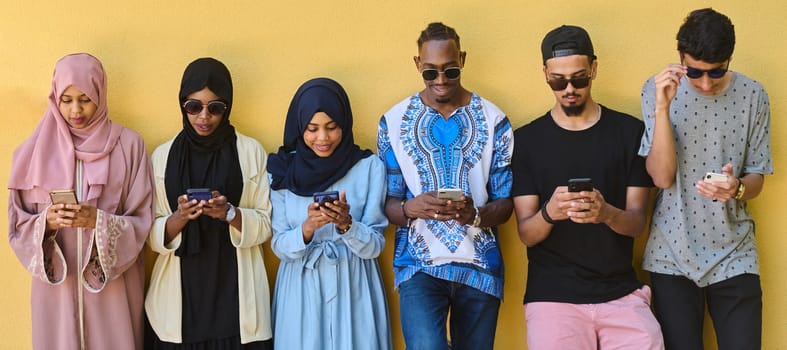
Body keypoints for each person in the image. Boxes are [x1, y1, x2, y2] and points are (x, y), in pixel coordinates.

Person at [510, 25, 663, 349]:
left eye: (578, 78)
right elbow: (527, 233)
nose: (568, 88)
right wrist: (550, 213)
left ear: (594, 69)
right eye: (558, 80)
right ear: (545, 74)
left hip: (620, 292)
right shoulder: (526, 141)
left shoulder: (629, 132)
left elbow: (637, 223)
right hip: (553, 296)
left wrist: (606, 213)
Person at [638, 8, 772, 350]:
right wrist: (662, 109)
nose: (705, 83)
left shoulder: (753, 95)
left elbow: (756, 175)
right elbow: (661, 177)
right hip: (672, 252)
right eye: (694, 72)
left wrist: (737, 188)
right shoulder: (656, 91)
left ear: (729, 59)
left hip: (735, 252)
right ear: (680, 57)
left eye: (717, 72)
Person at [377, 22, 513, 350]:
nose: (440, 80)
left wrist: (475, 215)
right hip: (419, 267)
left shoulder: (495, 120)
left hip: (479, 267)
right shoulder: (393, 122)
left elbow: (506, 203)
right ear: (417, 64)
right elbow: (388, 203)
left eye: (450, 71)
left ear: (462, 59)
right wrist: (411, 208)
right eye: (430, 72)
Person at [7, 53, 154, 350]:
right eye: (66, 99)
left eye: (85, 99)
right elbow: (17, 225)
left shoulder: (129, 146)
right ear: (54, 98)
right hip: (56, 294)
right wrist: (46, 222)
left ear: (100, 93)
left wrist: (98, 221)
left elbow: (143, 219)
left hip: (113, 291)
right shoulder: (31, 152)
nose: (76, 110)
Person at [145, 57, 273, 349]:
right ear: (182, 104)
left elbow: (266, 224)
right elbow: (147, 232)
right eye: (194, 107)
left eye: (215, 108)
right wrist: (180, 217)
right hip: (180, 302)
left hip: (235, 299)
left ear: (227, 107)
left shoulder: (251, 151)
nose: (204, 117)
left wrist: (230, 213)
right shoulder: (162, 157)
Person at [268, 77, 391, 350]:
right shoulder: (282, 170)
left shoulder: (369, 167)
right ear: (299, 127)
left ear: (345, 125)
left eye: (332, 127)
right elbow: (278, 244)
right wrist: (307, 228)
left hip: (354, 285)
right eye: (312, 129)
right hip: (300, 288)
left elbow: (375, 245)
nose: (322, 138)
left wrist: (347, 225)